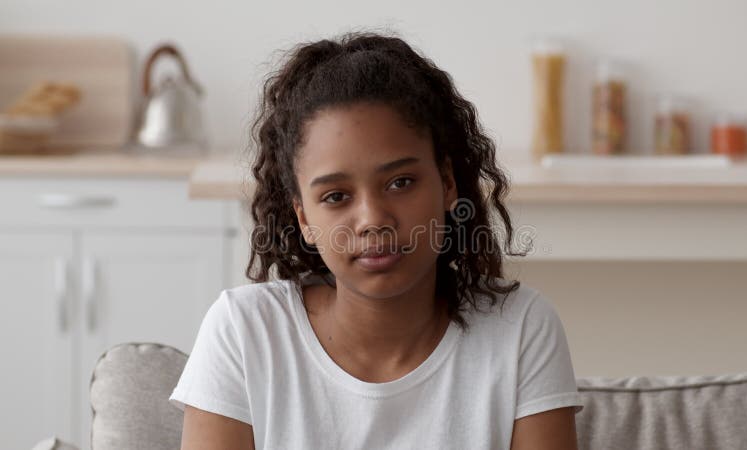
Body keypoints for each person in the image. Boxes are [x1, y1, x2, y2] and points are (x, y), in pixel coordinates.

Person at [168, 30, 584, 450]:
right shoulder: (244, 334)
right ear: (304, 218)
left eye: (401, 182)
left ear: (446, 183)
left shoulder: (521, 330)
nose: (372, 220)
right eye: (336, 196)